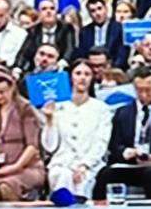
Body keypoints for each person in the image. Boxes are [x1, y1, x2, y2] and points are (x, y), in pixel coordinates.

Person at [95, 67, 151, 199]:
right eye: (139, 90)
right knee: (105, 174)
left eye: (148, 90)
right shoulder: (123, 113)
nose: (144, 94)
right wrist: (124, 152)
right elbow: (114, 145)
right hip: (130, 163)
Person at [39, 59, 113, 199]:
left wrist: (85, 165)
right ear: (71, 77)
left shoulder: (101, 109)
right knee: (62, 176)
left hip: (90, 165)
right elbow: (49, 147)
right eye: (78, 73)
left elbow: (101, 143)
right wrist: (49, 119)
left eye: (87, 74)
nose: (82, 78)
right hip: (61, 164)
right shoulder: (57, 106)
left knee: (82, 181)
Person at [0, 67, 45, 201]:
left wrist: (15, 167)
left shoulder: (25, 108)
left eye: (2, 92)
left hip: (26, 168)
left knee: (6, 186)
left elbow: (32, 146)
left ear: (12, 88)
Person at [15, 0, 76, 71]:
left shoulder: (66, 28)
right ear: (39, 13)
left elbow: (70, 49)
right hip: (36, 70)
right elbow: (24, 52)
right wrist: (18, 68)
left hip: (60, 69)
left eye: (52, 8)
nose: (48, 11)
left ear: (57, 12)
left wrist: (63, 62)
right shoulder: (33, 31)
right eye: (44, 9)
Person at [75, 0, 126, 67]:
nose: (97, 13)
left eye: (99, 8)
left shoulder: (119, 28)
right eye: (93, 11)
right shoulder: (84, 32)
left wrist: (113, 68)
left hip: (112, 67)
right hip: (91, 67)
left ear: (106, 9)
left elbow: (121, 54)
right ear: (89, 14)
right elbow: (82, 55)